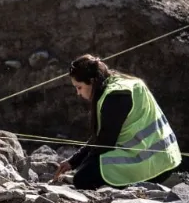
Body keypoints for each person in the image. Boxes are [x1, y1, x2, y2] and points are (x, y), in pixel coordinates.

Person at [54, 54, 181, 189]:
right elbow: (101, 136)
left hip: (152, 164)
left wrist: (82, 168)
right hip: (167, 157)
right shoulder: (121, 83)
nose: (78, 93)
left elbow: (105, 143)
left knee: (82, 179)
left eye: (79, 87)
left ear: (91, 81)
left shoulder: (115, 97)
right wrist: (73, 162)